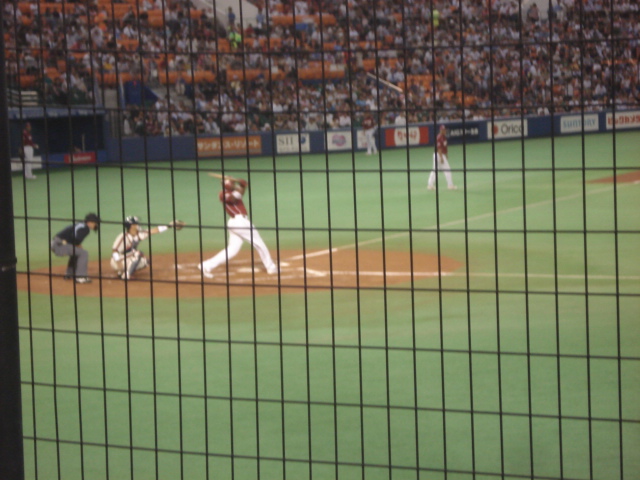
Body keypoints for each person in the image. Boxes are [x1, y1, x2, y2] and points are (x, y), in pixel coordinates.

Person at [199, 176, 277, 278]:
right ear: (227, 185)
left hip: (236, 223)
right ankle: (271, 267)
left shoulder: (233, 192)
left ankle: (206, 265)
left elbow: (239, 193)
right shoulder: (223, 194)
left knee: (232, 249)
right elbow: (234, 198)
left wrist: (243, 186)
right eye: (232, 183)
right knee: (259, 244)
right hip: (240, 222)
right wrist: (242, 186)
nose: (234, 184)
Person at [110, 215, 178, 280]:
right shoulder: (123, 237)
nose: (138, 225)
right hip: (117, 261)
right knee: (138, 253)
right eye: (136, 223)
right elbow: (114, 250)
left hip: (126, 259)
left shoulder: (139, 234)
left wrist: (169, 226)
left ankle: (122, 272)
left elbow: (154, 230)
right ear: (132, 226)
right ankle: (126, 275)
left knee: (145, 262)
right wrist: (118, 264)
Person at [50, 213, 100, 283]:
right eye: (95, 223)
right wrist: (78, 245)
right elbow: (76, 239)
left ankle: (70, 274)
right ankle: (80, 277)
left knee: (77, 252)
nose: (96, 225)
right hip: (59, 245)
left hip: (56, 243)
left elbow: (73, 238)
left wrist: (77, 245)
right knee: (83, 253)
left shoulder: (80, 225)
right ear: (89, 222)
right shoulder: (85, 228)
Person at [428, 125, 457, 190]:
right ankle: (450, 185)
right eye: (443, 130)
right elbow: (439, 148)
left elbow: (445, 147)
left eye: (445, 130)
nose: (445, 131)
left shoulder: (444, 137)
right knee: (447, 170)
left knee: (435, 170)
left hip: (439, 155)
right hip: (439, 155)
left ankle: (430, 185)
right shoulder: (439, 137)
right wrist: (441, 158)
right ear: (440, 130)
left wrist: (446, 154)